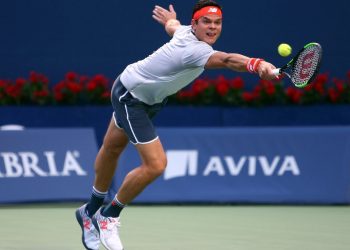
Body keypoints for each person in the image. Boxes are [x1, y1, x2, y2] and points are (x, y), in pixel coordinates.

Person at [75, 1, 278, 249]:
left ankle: (89, 211)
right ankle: (108, 216)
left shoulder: (184, 30)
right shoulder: (194, 51)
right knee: (156, 165)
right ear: (195, 24)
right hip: (132, 98)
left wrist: (170, 20)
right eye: (206, 22)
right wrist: (257, 65)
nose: (213, 27)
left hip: (142, 94)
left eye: (217, 23)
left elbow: (173, 27)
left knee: (112, 147)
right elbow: (227, 60)